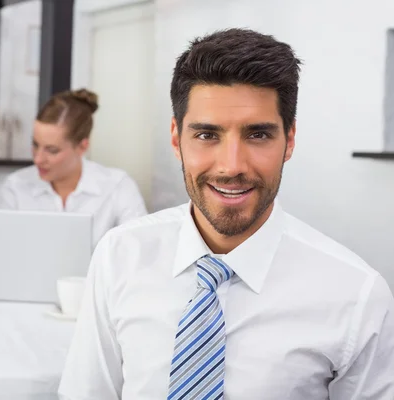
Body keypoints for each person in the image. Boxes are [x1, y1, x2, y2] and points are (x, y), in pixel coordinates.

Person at [58, 29, 394, 399]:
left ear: (290, 140)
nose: (231, 166)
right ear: (176, 138)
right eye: (207, 135)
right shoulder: (121, 255)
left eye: (258, 135)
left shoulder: (357, 294)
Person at [0, 88, 147, 247]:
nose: (38, 159)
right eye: (35, 145)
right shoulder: (14, 188)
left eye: (52, 150)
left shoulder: (118, 186)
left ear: (82, 147)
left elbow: (139, 249)